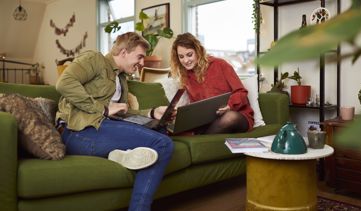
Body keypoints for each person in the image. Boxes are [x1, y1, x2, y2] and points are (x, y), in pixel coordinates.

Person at [55, 32, 174, 211]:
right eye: (140, 57)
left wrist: (151, 112)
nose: (142, 63)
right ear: (124, 52)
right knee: (163, 144)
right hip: (79, 131)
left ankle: (120, 154)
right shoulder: (94, 59)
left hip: (105, 128)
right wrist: (102, 109)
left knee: (161, 131)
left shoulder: (122, 78)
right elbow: (64, 83)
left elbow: (122, 111)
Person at [170, 32, 254, 134]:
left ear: (198, 51)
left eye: (189, 55)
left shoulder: (220, 64)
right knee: (178, 129)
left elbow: (241, 92)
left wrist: (229, 106)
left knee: (229, 118)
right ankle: (201, 138)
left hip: (237, 114)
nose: (186, 60)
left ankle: (200, 142)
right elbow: (196, 106)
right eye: (181, 57)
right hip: (211, 120)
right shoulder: (186, 77)